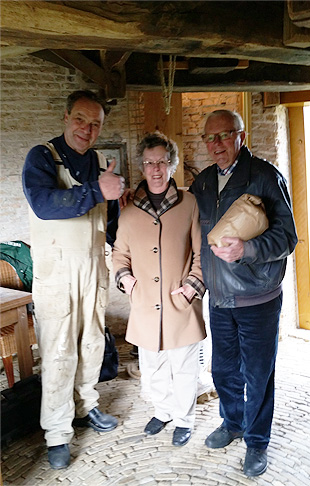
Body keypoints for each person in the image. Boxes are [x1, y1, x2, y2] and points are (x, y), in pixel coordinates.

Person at [190, 110, 297, 477]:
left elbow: (288, 238)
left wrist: (247, 251)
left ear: (241, 135)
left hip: (258, 298)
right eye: (210, 138)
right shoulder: (202, 183)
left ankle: (256, 441)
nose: (216, 145)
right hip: (219, 298)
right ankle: (232, 423)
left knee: (258, 373)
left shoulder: (265, 177)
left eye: (224, 136)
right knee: (223, 370)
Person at [22, 90, 125, 470]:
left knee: (92, 343)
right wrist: (100, 190)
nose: (87, 129)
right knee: (59, 351)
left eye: (95, 123)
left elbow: (111, 224)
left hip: (93, 269)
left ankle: (86, 406)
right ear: (66, 117)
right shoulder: (42, 157)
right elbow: (45, 205)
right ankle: (57, 433)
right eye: (81, 119)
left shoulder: (100, 163)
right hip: (57, 274)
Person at [112, 132, 206, 447]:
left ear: (171, 165)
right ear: (142, 166)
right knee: (152, 367)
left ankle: (184, 420)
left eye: (162, 162)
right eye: (150, 162)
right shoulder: (127, 212)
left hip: (180, 301)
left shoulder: (189, 203)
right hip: (144, 304)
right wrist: (125, 278)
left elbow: (201, 251)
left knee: (183, 366)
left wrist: (193, 286)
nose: (156, 168)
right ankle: (163, 411)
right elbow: (119, 254)